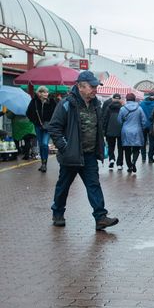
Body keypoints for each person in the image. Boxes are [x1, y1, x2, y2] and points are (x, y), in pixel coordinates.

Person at [48, 71, 119, 230]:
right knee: (63, 186)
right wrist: (65, 147)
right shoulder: (67, 104)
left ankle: (100, 217)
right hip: (71, 155)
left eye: (95, 86)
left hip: (89, 155)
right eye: (91, 86)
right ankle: (58, 213)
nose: (95, 89)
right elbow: (54, 128)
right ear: (80, 87)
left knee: (94, 185)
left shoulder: (96, 104)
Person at [26, 85, 57, 172]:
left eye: (47, 92)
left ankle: (44, 163)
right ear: (39, 93)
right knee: (40, 144)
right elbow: (28, 113)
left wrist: (52, 122)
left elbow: (57, 113)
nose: (46, 94)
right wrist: (35, 121)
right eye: (44, 92)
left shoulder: (51, 101)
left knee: (44, 144)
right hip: (38, 126)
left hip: (48, 126)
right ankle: (43, 164)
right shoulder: (34, 101)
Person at [118, 93, 146, 173]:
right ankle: (134, 162)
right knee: (136, 148)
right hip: (137, 130)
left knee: (127, 149)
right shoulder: (139, 108)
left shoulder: (122, 109)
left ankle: (129, 165)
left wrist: (124, 124)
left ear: (126, 99)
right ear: (134, 99)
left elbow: (119, 121)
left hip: (126, 131)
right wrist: (142, 128)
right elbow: (144, 121)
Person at [102, 93, 124, 170]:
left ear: (113, 99)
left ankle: (111, 159)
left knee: (111, 146)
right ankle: (119, 164)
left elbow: (105, 120)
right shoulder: (122, 108)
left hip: (110, 130)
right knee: (120, 148)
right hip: (120, 130)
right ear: (120, 99)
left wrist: (104, 131)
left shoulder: (108, 108)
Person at [139, 92, 154, 163]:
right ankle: (150, 158)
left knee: (143, 141)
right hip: (152, 125)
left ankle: (143, 157)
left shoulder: (141, 104)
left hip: (143, 125)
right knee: (152, 142)